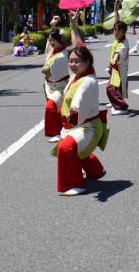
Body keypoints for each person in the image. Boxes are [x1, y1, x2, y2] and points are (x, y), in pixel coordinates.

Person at [52, 42, 110, 196]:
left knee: (66, 148)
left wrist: (76, 104)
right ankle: (96, 170)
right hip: (76, 125)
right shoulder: (76, 76)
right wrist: (73, 23)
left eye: (77, 61)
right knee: (74, 148)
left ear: (87, 62)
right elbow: (77, 40)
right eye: (70, 61)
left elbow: (81, 93)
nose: (73, 64)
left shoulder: (88, 80)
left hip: (89, 127)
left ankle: (76, 184)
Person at [43, 13, 82, 141]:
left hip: (61, 87)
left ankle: (56, 133)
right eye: (50, 40)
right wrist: (52, 25)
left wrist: (73, 25)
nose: (51, 42)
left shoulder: (66, 52)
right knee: (58, 110)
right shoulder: (50, 49)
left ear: (60, 41)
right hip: (49, 86)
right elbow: (50, 37)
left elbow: (76, 46)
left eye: (53, 40)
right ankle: (64, 130)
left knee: (51, 107)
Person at [107, 19, 131, 115]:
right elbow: (117, 20)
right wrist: (116, 9)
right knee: (116, 87)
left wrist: (114, 59)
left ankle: (121, 106)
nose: (115, 32)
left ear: (123, 32)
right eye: (114, 30)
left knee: (111, 87)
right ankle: (115, 102)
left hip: (119, 69)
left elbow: (118, 52)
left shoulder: (123, 43)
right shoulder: (119, 39)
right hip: (116, 68)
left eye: (118, 30)